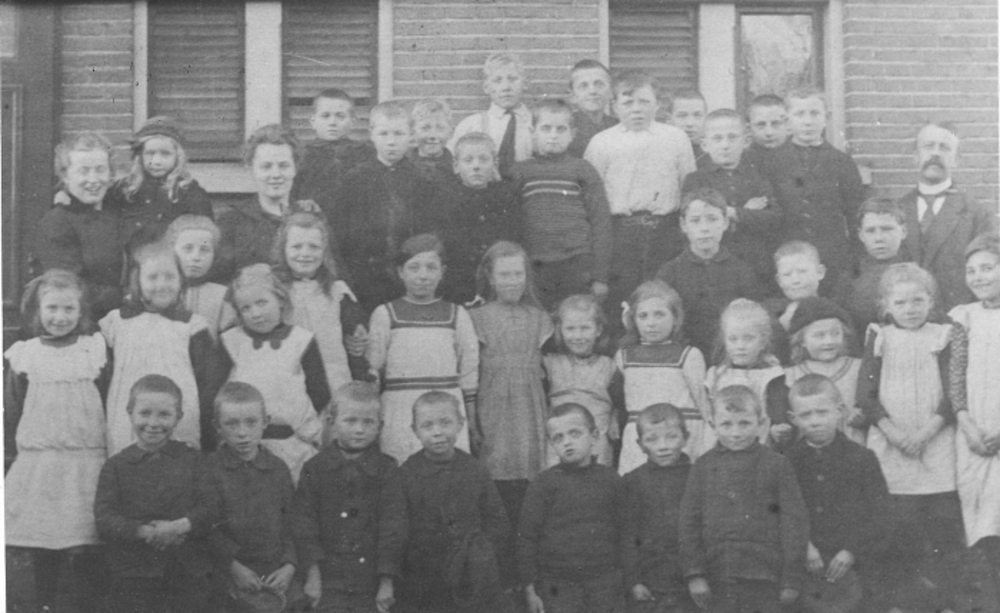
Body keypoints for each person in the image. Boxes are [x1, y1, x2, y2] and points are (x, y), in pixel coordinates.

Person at [855, 262, 965, 608]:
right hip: (892, 444)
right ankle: (902, 602)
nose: (910, 309)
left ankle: (947, 602)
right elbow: (865, 396)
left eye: (918, 300)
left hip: (936, 442)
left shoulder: (943, 335)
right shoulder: (880, 336)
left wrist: (926, 434)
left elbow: (953, 392)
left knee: (943, 530)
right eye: (900, 303)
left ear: (931, 301)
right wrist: (895, 434)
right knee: (898, 532)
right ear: (886, 306)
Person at [3, 270, 110, 613]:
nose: (60, 317)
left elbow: (106, 397)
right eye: (52, 308)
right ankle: (46, 602)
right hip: (43, 461)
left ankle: (89, 604)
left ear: (81, 312)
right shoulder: (26, 355)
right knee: (44, 538)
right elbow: (12, 408)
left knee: (87, 536)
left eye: (68, 309)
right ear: (38, 311)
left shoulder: (93, 350)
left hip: (85, 460)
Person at [94, 375, 219, 613]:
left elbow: (210, 507)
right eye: (145, 413)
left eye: (164, 415)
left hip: (187, 569)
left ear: (178, 417)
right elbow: (105, 518)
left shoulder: (193, 460)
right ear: (130, 413)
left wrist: (177, 527)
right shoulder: (116, 466)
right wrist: (147, 532)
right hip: (135, 571)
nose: (153, 423)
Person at [679, 384, 809, 613]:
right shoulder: (703, 465)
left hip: (765, 576)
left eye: (745, 423)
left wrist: (791, 579)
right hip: (717, 575)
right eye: (726, 424)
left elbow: (794, 523)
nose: (736, 433)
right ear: (713, 425)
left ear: (762, 423)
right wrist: (695, 574)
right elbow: (689, 523)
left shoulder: (777, 464)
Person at [585, 70, 697, 333]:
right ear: (614, 106)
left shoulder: (675, 138)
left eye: (644, 102)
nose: (636, 109)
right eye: (628, 102)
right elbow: (592, 197)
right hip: (621, 234)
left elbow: (689, 187)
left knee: (666, 296)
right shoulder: (601, 143)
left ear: (657, 104)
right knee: (624, 299)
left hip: (665, 231)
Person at [382, 391, 510, 613]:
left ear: (460, 423)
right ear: (415, 430)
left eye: (445, 423)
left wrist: (482, 555)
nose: (437, 432)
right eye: (427, 425)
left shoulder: (475, 469)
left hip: (471, 575)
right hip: (425, 578)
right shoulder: (406, 474)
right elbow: (395, 529)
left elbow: (496, 520)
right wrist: (390, 575)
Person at [366, 234, 479, 465]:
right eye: (414, 267)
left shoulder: (457, 314)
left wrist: (472, 422)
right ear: (400, 271)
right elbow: (373, 369)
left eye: (431, 267)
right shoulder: (385, 314)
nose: (423, 275)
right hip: (399, 410)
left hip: (446, 407)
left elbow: (469, 372)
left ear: (442, 272)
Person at [101, 239, 219, 455]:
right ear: (137, 281)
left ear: (181, 280)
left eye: (170, 277)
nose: (162, 284)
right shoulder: (116, 323)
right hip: (126, 417)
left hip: (179, 418)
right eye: (153, 277)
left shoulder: (192, 326)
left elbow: (207, 383)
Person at [785, 375, 891, 613]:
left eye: (822, 412)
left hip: (854, 562)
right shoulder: (787, 462)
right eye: (805, 415)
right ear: (793, 419)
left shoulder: (862, 458)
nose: (815, 422)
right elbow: (781, 513)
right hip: (805, 563)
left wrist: (851, 551)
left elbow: (880, 514)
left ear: (840, 411)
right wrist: (804, 546)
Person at [293, 382, 402, 613]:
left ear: (380, 426)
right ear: (331, 422)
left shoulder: (387, 471)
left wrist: (386, 581)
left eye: (368, 422)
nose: (359, 429)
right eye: (350, 421)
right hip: (327, 581)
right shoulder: (315, 469)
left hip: (371, 583)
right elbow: (304, 524)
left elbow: (393, 528)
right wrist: (313, 576)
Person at [219, 264, 330, 483]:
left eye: (262, 303)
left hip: (292, 441)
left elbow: (320, 392)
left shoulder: (301, 340)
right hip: (242, 442)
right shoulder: (232, 341)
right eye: (246, 308)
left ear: (280, 299)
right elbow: (216, 392)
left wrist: (299, 425)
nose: (256, 313)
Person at [468, 241, 553, 526]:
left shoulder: (539, 318)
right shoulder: (477, 317)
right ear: (490, 278)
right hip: (493, 402)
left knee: (530, 466)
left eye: (518, 273)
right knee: (496, 465)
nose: (512, 281)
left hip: (530, 403)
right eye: (504, 274)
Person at [336, 101, 445, 313]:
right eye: (384, 134)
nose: (391, 141)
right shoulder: (355, 180)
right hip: (364, 279)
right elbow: (342, 235)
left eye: (398, 133)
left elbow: (431, 235)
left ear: (411, 135)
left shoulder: (424, 181)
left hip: (409, 280)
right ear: (372, 134)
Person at [519, 403, 626, 613]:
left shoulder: (611, 480)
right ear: (552, 444)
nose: (567, 442)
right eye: (558, 438)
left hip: (605, 582)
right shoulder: (543, 483)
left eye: (574, 433)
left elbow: (625, 531)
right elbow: (527, 538)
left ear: (594, 436)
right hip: (558, 584)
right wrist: (530, 589)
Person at [510, 98, 612, 308]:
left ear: (572, 134)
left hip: (577, 264)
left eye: (561, 129)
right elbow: (511, 222)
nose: (553, 135)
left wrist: (600, 276)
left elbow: (600, 222)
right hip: (535, 265)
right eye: (546, 128)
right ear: (533, 131)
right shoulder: (520, 172)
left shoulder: (582, 169)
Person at [205, 382, 298, 611]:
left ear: (265, 422)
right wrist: (232, 567)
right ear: (217, 426)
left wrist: (289, 565)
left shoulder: (278, 469)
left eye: (251, 422)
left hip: (275, 569)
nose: (242, 433)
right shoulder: (209, 469)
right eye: (231, 424)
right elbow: (206, 527)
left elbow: (293, 522)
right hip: (229, 569)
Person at [763, 87, 866, 283]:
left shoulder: (842, 162)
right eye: (800, 114)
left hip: (831, 258)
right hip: (785, 258)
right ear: (787, 120)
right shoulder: (772, 162)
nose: (808, 121)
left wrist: (855, 261)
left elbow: (856, 216)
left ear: (826, 118)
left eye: (814, 113)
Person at [897, 121, 998, 312]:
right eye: (928, 146)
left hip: (957, 318)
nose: (935, 153)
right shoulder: (896, 210)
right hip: (906, 318)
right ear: (915, 157)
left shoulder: (977, 214)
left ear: (956, 160)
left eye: (944, 148)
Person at [615, 280, 710, 474]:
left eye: (659, 314)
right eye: (643, 316)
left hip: (681, 434)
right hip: (641, 436)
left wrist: (708, 443)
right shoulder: (623, 356)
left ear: (675, 318)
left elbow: (703, 404)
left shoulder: (689, 355)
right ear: (633, 320)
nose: (651, 323)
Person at [655, 188, 761, 359]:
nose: (704, 228)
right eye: (695, 221)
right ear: (683, 225)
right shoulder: (669, 273)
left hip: (731, 357)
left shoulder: (741, 270)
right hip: (684, 357)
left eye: (712, 219)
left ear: (725, 222)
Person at [682, 108, 781, 288]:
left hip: (755, 263)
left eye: (732, 137)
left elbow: (774, 217)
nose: (725, 145)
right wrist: (743, 212)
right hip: (713, 264)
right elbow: (695, 220)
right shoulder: (696, 180)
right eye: (717, 138)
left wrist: (730, 212)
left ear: (746, 141)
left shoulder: (757, 178)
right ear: (704, 144)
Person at [948, 233, 1000, 572]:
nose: (978, 277)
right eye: (971, 270)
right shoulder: (964, 317)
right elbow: (956, 376)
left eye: (987, 268)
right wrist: (966, 423)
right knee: (981, 521)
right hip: (973, 431)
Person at [272, 211, 370, 390]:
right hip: (288, 382)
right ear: (283, 249)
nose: (305, 253)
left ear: (324, 250)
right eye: (296, 246)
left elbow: (355, 341)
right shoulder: (273, 290)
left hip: (333, 380)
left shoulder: (338, 291)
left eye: (314, 247)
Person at [35, 131, 126, 318]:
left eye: (100, 170)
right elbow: (68, 287)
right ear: (65, 176)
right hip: (84, 323)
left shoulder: (119, 213)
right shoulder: (57, 222)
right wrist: (130, 299)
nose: (93, 179)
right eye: (83, 171)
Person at [215, 125, 319, 283]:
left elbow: (334, 276)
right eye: (266, 166)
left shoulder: (312, 217)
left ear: (295, 168)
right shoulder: (231, 223)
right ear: (251, 169)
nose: (276, 174)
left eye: (283, 166)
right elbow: (219, 284)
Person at [622, 404, 696, 613]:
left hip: (691, 579)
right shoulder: (633, 482)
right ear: (640, 444)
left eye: (671, 437)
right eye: (652, 439)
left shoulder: (699, 476)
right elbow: (627, 534)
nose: (663, 446)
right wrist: (634, 580)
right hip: (651, 580)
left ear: (685, 437)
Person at [105, 115, 213, 247]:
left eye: (165, 154)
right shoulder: (122, 191)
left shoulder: (191, 194)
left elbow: (204, 240)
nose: (157, 161)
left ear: (177, 156)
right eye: (150, 153)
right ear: (140, 155)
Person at [440, 132, 521, 304]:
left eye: (483, 160)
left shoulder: (505, 198)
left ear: (495, 164)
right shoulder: (447, 200)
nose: (476, 166)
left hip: (496, 280)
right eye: (468, 160)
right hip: (459, 280)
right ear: (456, 166)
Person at [706, 299, 793, 450]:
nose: (740, 346)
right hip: (723, 448)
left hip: (760, 448)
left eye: (748, 338)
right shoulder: (716, 375)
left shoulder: (771, 375)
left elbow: (778, 413)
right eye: (733, 339)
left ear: (763, 342)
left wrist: (777, 429)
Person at [544, 294, 619, 466]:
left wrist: (614, 417)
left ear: (598, 330)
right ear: (560, 330)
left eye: (585, 328)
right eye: (570, 329)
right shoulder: (550, 363)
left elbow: (620, 401)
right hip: (559, 446)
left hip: (596, 444)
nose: (578, 336)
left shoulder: (609, 366)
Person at [784, 297, 863, 444]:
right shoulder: (790, 375)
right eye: (819, 335)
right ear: (802, 340)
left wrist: (862, 414)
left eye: (835, 333)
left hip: (854, 447)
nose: (829, 341)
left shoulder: (859, 368)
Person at [294, 88, 376, 222]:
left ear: (353, 121)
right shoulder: (300, 156)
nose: (332, 122)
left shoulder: (367, 155)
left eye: (340, 116)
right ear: (312, 121)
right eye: (325, 116)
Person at [448, 52, 533, 178]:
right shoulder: (471, 125)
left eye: (512, 79)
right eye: (497, 80)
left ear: (525, 84)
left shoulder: (537, 123)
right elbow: (452, 163)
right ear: (486, 87)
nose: (506, 87)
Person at [838, 198, 910, 333]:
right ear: (861, 235)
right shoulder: (850, 277)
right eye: (870, 231)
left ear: (903, 231)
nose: (879, 238)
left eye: (887, 229)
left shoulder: (918, 273)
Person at [166, 215, 237, 340]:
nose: (196, 257)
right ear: (172, 250)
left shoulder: (223, 296)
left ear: (214, 255)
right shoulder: (160, 290)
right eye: (188, 249)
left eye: (204, 250)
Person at [766, 240, 828, 363]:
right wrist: (781, 326)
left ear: (820, 272)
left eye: (802, 271)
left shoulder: (832, 310)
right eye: (787, 275)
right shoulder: (769, 314)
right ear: (779, 280)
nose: (795, 280)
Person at [566, 59, 616, 159]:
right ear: (572, 96)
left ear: (611, 92)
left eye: (599, 84)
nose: (592, 91)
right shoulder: (565, 129)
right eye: (583, 86)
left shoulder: (618, 126)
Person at [408, 98, 455, 188]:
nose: (433, 135)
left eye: (440, 128)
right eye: (425, 128)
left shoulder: (457, 168)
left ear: (450, 132)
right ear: (413, 132)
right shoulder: (402, 166)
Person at [743, 94, 789, 170]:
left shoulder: (802, 159)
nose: (769, 133)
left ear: (787, 124)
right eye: (761, 125)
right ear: (749, 129)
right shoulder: (741, 162)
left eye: (775, 124)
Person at [669, 90, 710, 169]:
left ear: (707, 119)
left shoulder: (716, 157)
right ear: (669, 120)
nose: (690, 123)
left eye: (697, 115)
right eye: (682, 116)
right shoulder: (660, 154)